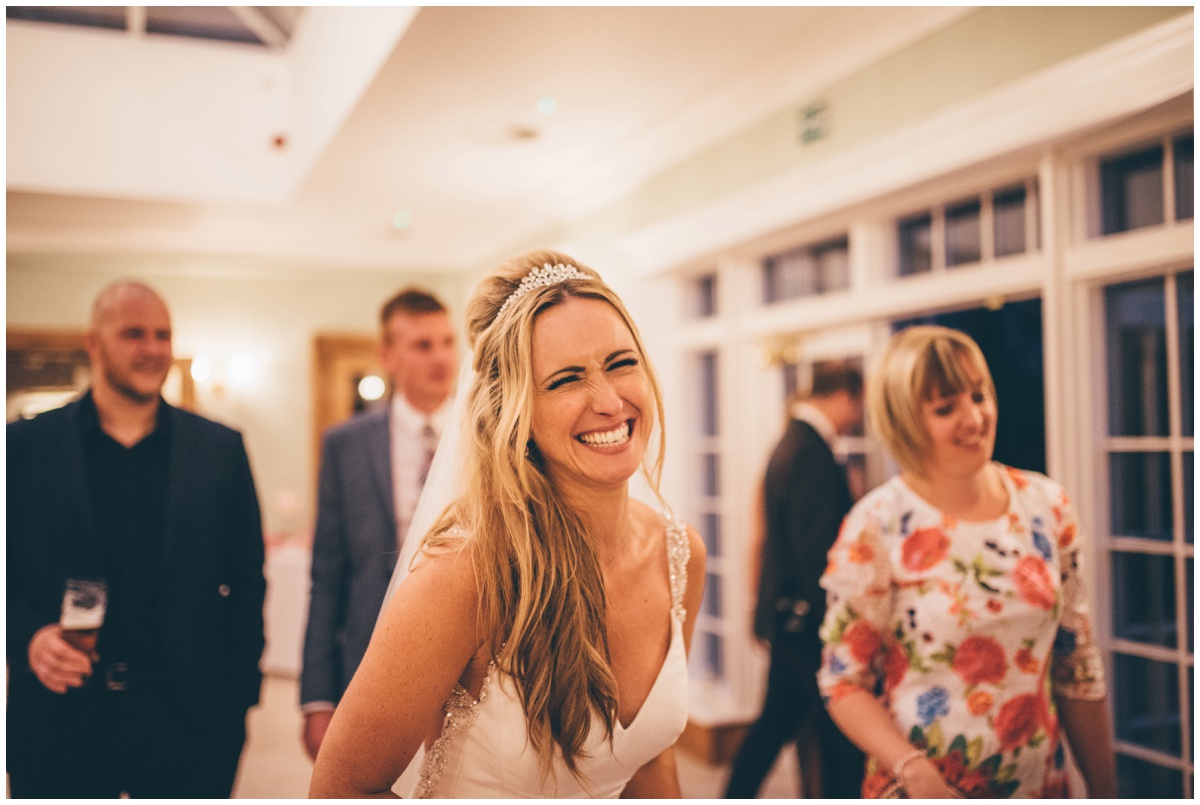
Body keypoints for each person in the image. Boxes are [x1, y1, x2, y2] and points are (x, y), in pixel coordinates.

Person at [308, 249, 706, 797]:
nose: (610, 402)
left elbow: (652, 763)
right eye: (567, 380)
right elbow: (341, 788)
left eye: (621, 363)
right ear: (514, 412)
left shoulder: (681, 553)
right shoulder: (466, 575)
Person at [817, 325, 1117, 798]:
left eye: (980, 395)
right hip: (923, 787)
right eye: (945, 408)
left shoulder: (1047, 505)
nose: (974, 417)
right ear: (905, 421)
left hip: (1037, 784)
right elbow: (843, 680)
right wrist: (914, 770)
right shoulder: (877, 523)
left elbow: (1076, 663)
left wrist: (1105, 787)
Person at [6, 280, 266, 798]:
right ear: (93, 343)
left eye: (163, 335)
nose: (152, 349)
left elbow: (246, 579)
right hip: (61, 717)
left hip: (188, 720)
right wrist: (28, 637)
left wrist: (237, 690)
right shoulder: (24, 447)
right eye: (133, 334)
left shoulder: (220, 450)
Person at [300, 287, 458, 760]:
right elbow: (327, 574)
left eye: (448, 342)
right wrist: (317, 697)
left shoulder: (492, 435)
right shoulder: (345, 444)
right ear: (388, 355)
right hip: (370, 655)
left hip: (471, 661)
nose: (441, 358)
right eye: (423, 345)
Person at [725, 364, 865, 798]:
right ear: (845, 397)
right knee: (841, 739)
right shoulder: (809, 451)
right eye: (858, 406)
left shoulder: (791, 442)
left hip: (789, 620)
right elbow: (815, 551)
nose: (857, 417)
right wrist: (838, 628)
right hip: (809, 626)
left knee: (775, 726)